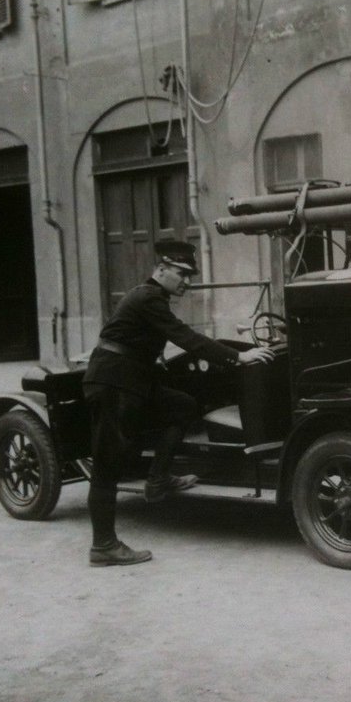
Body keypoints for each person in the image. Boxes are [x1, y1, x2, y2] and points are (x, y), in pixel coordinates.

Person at [82, 240, 273, 567]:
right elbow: (184, 337)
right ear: (161, 269)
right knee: (107, 464)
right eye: (181, 273)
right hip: (113, 381)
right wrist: (238, 356)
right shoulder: (148, 298)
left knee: (183, 405)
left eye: (189, 274)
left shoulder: (154, 298)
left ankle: (158, 479)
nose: (186, 280)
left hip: (132, 379)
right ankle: (103, 545)